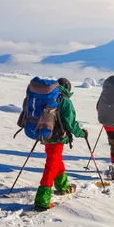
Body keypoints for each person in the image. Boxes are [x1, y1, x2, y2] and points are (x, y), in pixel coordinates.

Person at [34, 77, 87, 211]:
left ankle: (63, 186)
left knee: (56, 160)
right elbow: (71, 124)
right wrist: (81, 133)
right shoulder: (65, 101)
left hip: (45, 134)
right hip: (57, 137)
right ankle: (42, 199)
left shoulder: (48, 97)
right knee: (52, 164)